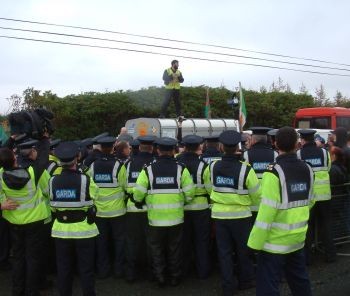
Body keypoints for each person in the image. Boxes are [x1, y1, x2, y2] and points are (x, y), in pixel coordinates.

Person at [248, 126, 315, 296]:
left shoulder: (273, 171)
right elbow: (310, 200)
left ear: (275, 143)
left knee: (268, 286)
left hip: (274, 243)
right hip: (298, 238)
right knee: (300, 281)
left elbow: (267, 212)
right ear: (297, 144)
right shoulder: (307, 169)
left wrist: (254, 243)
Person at [204, 130, 261, 296]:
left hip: (220, 216)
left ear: (221, 147)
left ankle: (227, 286)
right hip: (242, 216)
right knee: (243, 251)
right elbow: (256, 194)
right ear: (237, 147)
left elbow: (209, 187)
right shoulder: (246, 170)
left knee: (224, 252)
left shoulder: (212, 166)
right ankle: (246, 281)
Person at [133, 137, 195, 287]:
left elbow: (138, 194)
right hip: (176, 218)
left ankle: (159, 277)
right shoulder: (181, 169)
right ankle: (175, 277)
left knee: (156, 249)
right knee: (175, 248)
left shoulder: (148, 169)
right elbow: (190, 193)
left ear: (158, 150)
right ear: (174, 151)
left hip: (155, 219)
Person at [0, 136, 51, 296]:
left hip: (14, 221)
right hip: (35, 221)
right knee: (33, 258)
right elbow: (43, 158)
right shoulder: (32, 172)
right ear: (15, 157)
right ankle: (32, 291)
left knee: (18, 257)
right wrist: (44, 138)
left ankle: (17, 290)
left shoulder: (1, 174)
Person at [49, 141, 99, 296]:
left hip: (61, 231)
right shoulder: (86, 180)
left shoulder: (52, 181)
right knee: (86, 269)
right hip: (84, 230)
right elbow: (96, 197)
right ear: (77, 158)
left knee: (63, 269)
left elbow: (52, 206)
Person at [88, 136, 127, 279]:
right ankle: (118, 270)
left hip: (99, 212)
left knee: (101, 242)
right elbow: (125, 185)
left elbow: (89, 187)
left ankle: (103, 270)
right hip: (117, 212)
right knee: (119, 242)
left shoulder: (92, 166)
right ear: (112, 148)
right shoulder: (119, 166)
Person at [297, 129, 335, 263]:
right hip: (325, 195)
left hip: (308, 197)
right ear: (313, 139)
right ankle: (331, 255)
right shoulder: (324, 153)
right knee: (327, 225)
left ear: (302, 140)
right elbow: (328, 168)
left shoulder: (299, 153)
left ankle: (308, 258)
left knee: (308, 228)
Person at [176, 135, 211, 279]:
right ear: (199, 147)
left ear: (184, 147)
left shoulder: (176, 163)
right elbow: (210, 189)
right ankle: (203, 272)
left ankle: (184, 271)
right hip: (201, 208)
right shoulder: (204, 165)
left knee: (183, 241)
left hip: (181, 207)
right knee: (202, 241)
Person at [124, 135, 155, 283]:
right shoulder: (155, 163)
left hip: (133, 209)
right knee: (151, 243)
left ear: (139, 147)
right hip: (151, 209)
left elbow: (123, 185)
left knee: (132, 242)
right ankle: (150, 273)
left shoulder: (129, 164)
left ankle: (131, 273)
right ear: (152, 148)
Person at [243, 127, 278, 215]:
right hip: (269, 202)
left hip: (251, 203)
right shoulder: (274, 154)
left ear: (254, 140)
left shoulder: (246, 155)